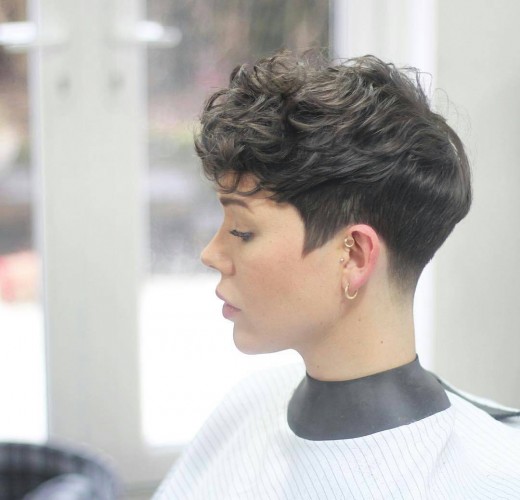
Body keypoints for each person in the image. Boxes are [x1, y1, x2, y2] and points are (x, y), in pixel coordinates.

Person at [154, 50, 520, 499]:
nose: (211, 254)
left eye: (242, 230)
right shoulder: (249, 404)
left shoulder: (492, 481)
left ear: (355, 256)